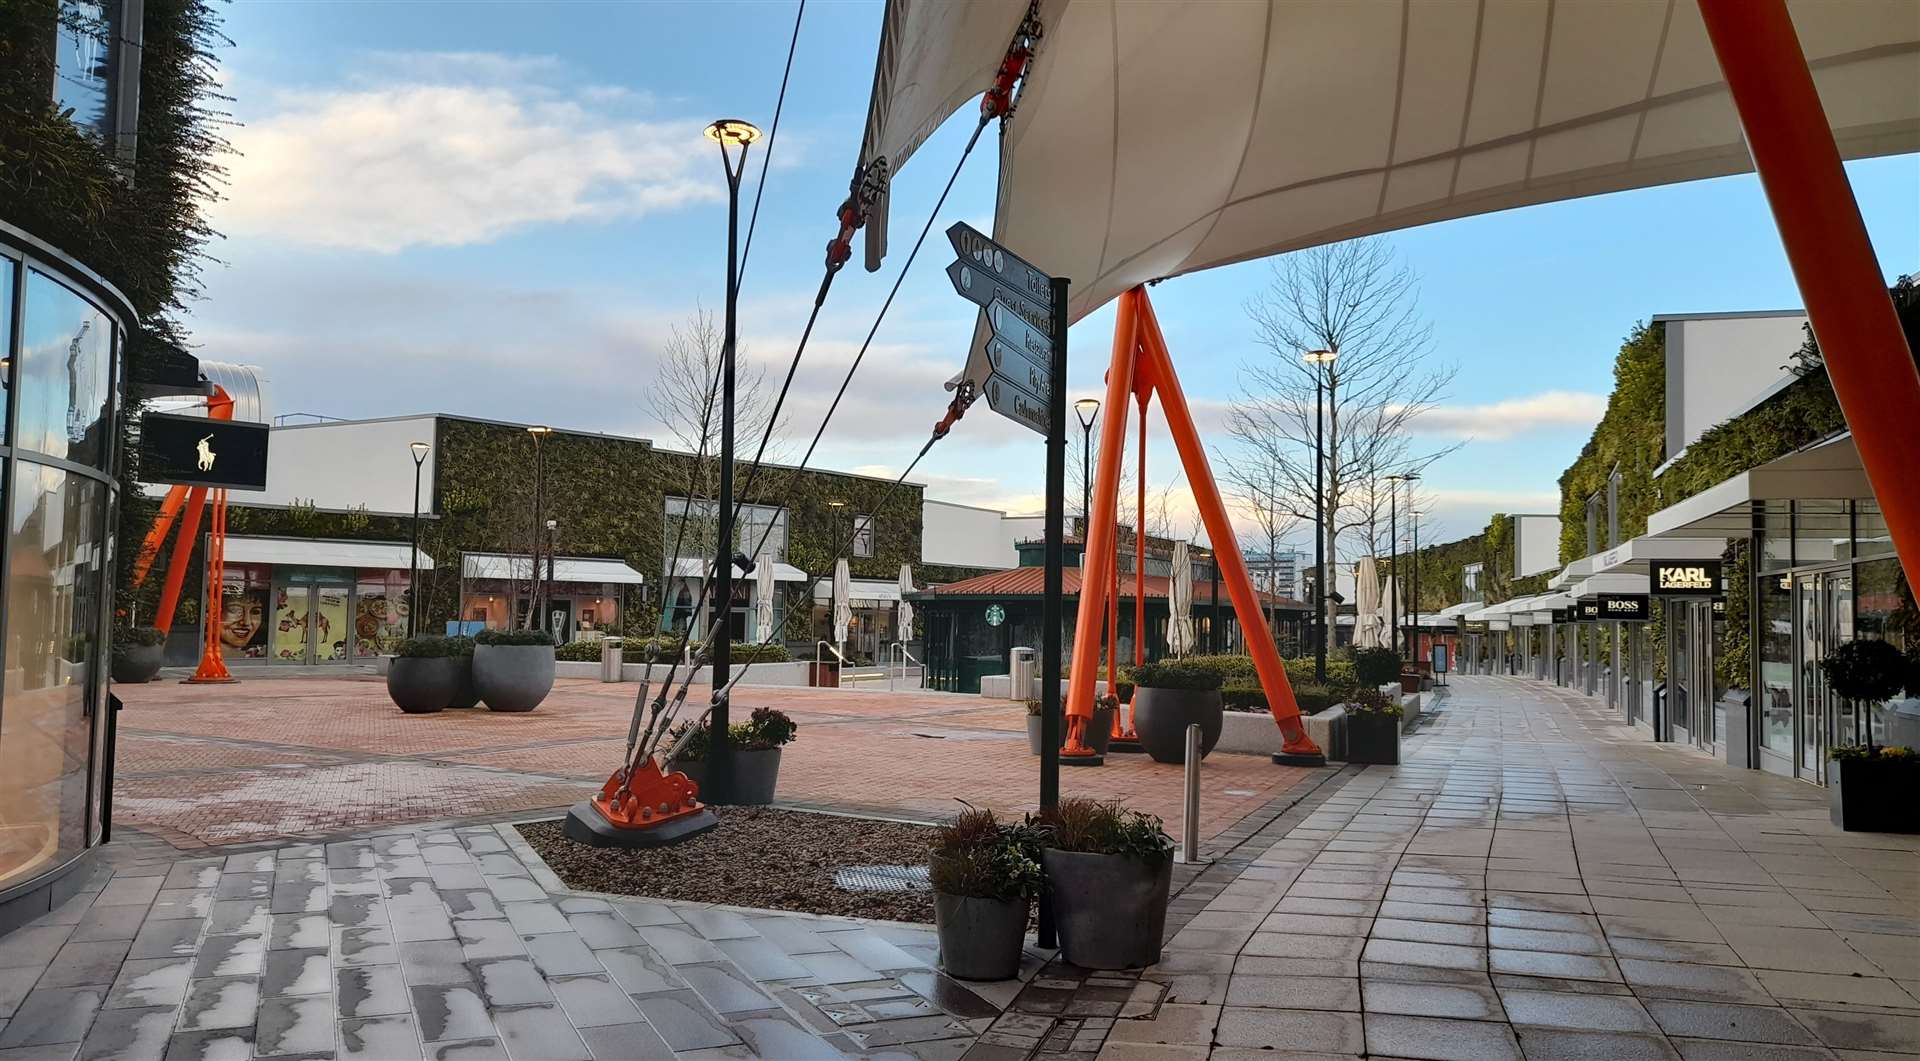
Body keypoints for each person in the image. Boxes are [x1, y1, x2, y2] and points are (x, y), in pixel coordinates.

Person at [220, 583, 267, 656]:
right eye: (235, 610)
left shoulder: (260, 652)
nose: (246, 622)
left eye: (255, 612)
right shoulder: (200, 651)